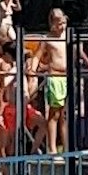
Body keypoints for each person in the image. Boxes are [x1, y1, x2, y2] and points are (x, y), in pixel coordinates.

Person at [35, 9, 72, 153]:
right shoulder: (47, 39)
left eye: (64, 23)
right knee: (54, 113)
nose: (62, 27)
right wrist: (33, 69)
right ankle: (52, 148)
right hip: (55, 77)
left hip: (67, 76)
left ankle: (67, 147)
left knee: (64, 115)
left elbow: (79, 52)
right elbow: (37, 56)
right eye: (58, 24)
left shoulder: (68, 36)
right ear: (52, 23)